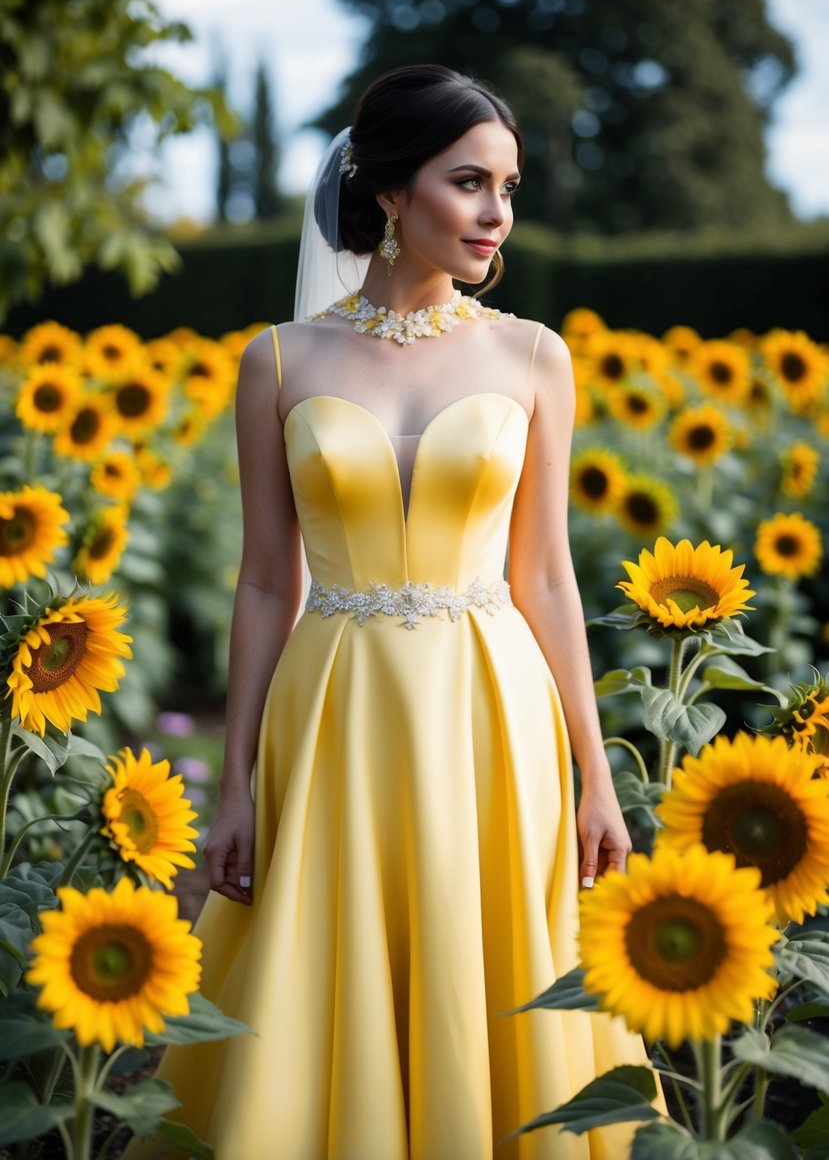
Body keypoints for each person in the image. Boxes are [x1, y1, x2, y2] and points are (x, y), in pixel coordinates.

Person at [133, 64, 654, 1159]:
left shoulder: (533, 357)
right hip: (333, 715)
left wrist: (595, 775)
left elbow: (547, 576)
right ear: (386, 192)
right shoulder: (277, 361)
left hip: (493, 714)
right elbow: (268, 579)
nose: (495, 213)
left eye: (506, 187)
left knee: (496, 970)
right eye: (468, 182)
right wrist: (230, 781)